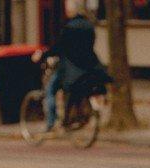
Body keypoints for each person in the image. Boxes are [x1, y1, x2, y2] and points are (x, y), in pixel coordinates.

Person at [31, 0, 103, 132]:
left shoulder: (69, 28)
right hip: (88, 65)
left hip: (69, 67)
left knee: (50, 90)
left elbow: (59, 47)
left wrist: (43, 55)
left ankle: (51, 123)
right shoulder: (89, 26)